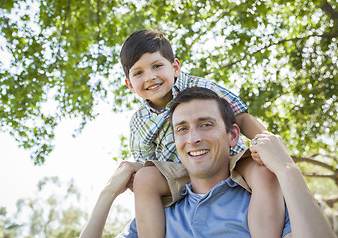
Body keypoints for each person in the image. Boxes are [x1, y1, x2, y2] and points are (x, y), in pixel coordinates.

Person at [79, 87, 336, 238]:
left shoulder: (266, 202)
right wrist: (108, 193)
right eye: (182, 129)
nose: (193, 138)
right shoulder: (157, 217)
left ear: (233, 135)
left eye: (206, 125)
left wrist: (286, 169)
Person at [120, 29, 284, 237]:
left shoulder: (199, 87)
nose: (150, 77)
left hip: (226, 158)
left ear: (175, 67)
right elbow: (145, 162)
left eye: (157, 66)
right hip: (179, 172)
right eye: (138, 73)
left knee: (263, 172)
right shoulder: (139, 121)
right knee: (144, 178)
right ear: (130, 85)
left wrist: (269, 146)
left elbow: (240, 117)